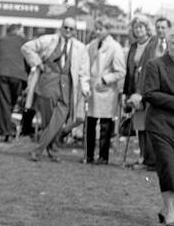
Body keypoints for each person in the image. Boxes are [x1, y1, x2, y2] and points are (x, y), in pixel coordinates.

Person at [22, 20, 90, 162]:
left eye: (71, 28)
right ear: (61, 28)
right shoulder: (48, 40)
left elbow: (84, 71)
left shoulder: (80, 48)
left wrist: (85, 88)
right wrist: (38, 63)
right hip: (47, 84)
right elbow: (26, 48)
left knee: (58, 121)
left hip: (67, 88)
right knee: (48, 122)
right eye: (65, 27)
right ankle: (52, 150)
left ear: (75, 31)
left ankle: (37, 150)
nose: (68, 30)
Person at [140, 34, 174, 226]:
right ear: (169, 44)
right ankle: (170, 212)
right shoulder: (155, 65)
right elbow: (149, 93)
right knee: (168, 167)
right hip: (160, 125)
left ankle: (165, 209)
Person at [85, 25, 126, 164]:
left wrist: (105, 79)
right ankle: (88, 155)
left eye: (100, 29)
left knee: (105, 124)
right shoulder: (92, 45)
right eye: (96, 28)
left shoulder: (115, 47)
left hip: (106, 90)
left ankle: (103, 156)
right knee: (90, 123)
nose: (97, 32)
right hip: (92, 88)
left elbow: (121, 71)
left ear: (108, 30)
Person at [0, 23, 28, 141]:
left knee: (4, 103)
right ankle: (7, 132)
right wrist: (27, 76)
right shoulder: (25, 41)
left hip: (1, 74)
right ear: (18, 31)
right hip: (19, 76)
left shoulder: (0, 40)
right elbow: (28, 60)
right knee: (9, 104)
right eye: (22, 30)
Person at [123, 15, 154, 169]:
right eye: (136, 27)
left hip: (148, 88)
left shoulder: (153, 44)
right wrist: (127, 92)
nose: (139, 29)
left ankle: (149, 159)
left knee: (148, 125)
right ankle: (142, 157)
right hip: (135, 88)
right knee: (138, 124)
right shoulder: (134, 46)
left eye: (141, 26)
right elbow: (129, 71)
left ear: (146, 28)